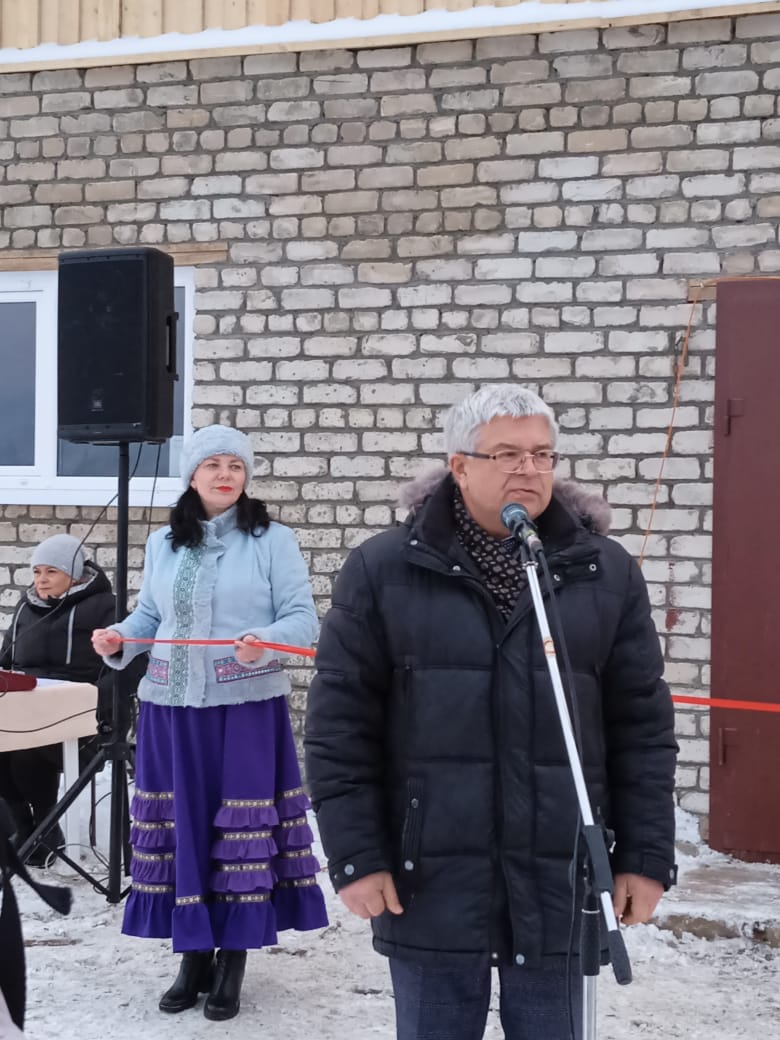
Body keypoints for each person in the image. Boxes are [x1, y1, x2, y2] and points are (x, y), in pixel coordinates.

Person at [304, 384, 678, 1040]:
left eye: (542, 454)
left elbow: (642, 727)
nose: (529, 470)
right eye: (507, 454)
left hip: (560, 875)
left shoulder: (603, 572)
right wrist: (357, 856)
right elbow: (339, 729)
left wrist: (644, 856)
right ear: (460, 465)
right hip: (430, 878)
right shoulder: (384, 570)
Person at [91, 424, 328, 1022]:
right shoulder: (164, 543)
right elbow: (151, 616)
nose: (226, 475)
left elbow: (302, 618)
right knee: (185, 826)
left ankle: (233, 956)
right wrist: (120, 637)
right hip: (170, 708)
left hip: (244, 707)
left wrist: (264, 640)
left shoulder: (273, 540)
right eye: (213, 465)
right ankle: (193, 953)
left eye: (236, 466)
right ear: (192, 476)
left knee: (237, 829)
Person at [0, 534, 118, 866]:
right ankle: (24, 827)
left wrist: (93, 699)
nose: (41, 580)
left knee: (26, 747)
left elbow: (129, 666)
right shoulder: (26, 607)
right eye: (37, 572)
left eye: (51, 571)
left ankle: (45, 830)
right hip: (26, 709)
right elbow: (6, 660)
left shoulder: (106, 607)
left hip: (84, 720)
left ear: (75, 573)